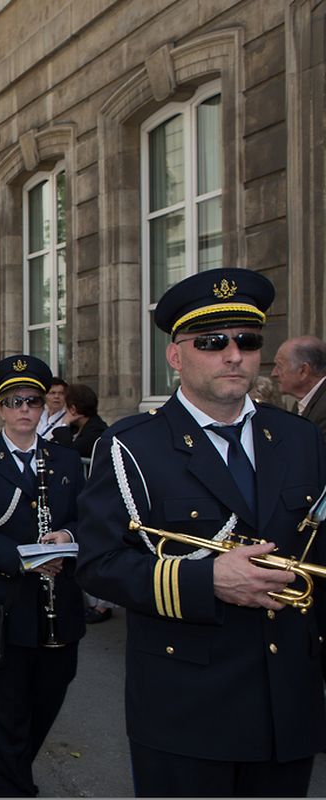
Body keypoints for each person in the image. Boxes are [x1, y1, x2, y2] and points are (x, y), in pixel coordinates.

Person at [75, 267, 326, 796]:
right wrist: (206, 580)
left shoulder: (302, 439)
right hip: (186, 709)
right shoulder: (133, 445)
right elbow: (99, 564)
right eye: (212, 342)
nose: (233, 355)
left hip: (289, 706)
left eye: (247, 340)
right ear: (176, 355)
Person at [0, 355, 86, 797]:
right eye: (14, 401)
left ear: (44, 406)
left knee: (50, 695)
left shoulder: (66, 460)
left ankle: (15, 765)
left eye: (33, 400)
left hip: (59, 602)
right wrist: (23, 559)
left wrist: (68, 533)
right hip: (2, 604)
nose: (25, 409)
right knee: (6, 706)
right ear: (0, 409)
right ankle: (13, 786)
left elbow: (93, 518)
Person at [272, 335, 326, 437]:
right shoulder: (300, 405)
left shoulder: (323, 409)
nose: (273, 373)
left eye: (279, 366)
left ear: (303, 371)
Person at [49, 383, 108, 459]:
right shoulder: (74, 428)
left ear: (73, 409)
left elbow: (69, 452)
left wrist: (65, 424)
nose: (65, 411)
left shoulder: (96, 431)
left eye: (66, 407)